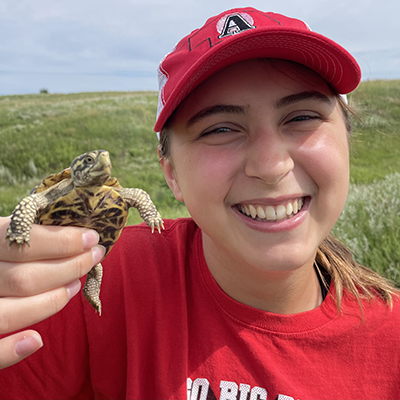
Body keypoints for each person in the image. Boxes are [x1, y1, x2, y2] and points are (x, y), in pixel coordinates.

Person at [0, 7, 399, 400]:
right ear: (171, 173)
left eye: (301, 117)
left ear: (347, 141)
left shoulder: (390, 344)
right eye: (221, 128)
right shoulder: (95, 272)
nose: (271, 165)